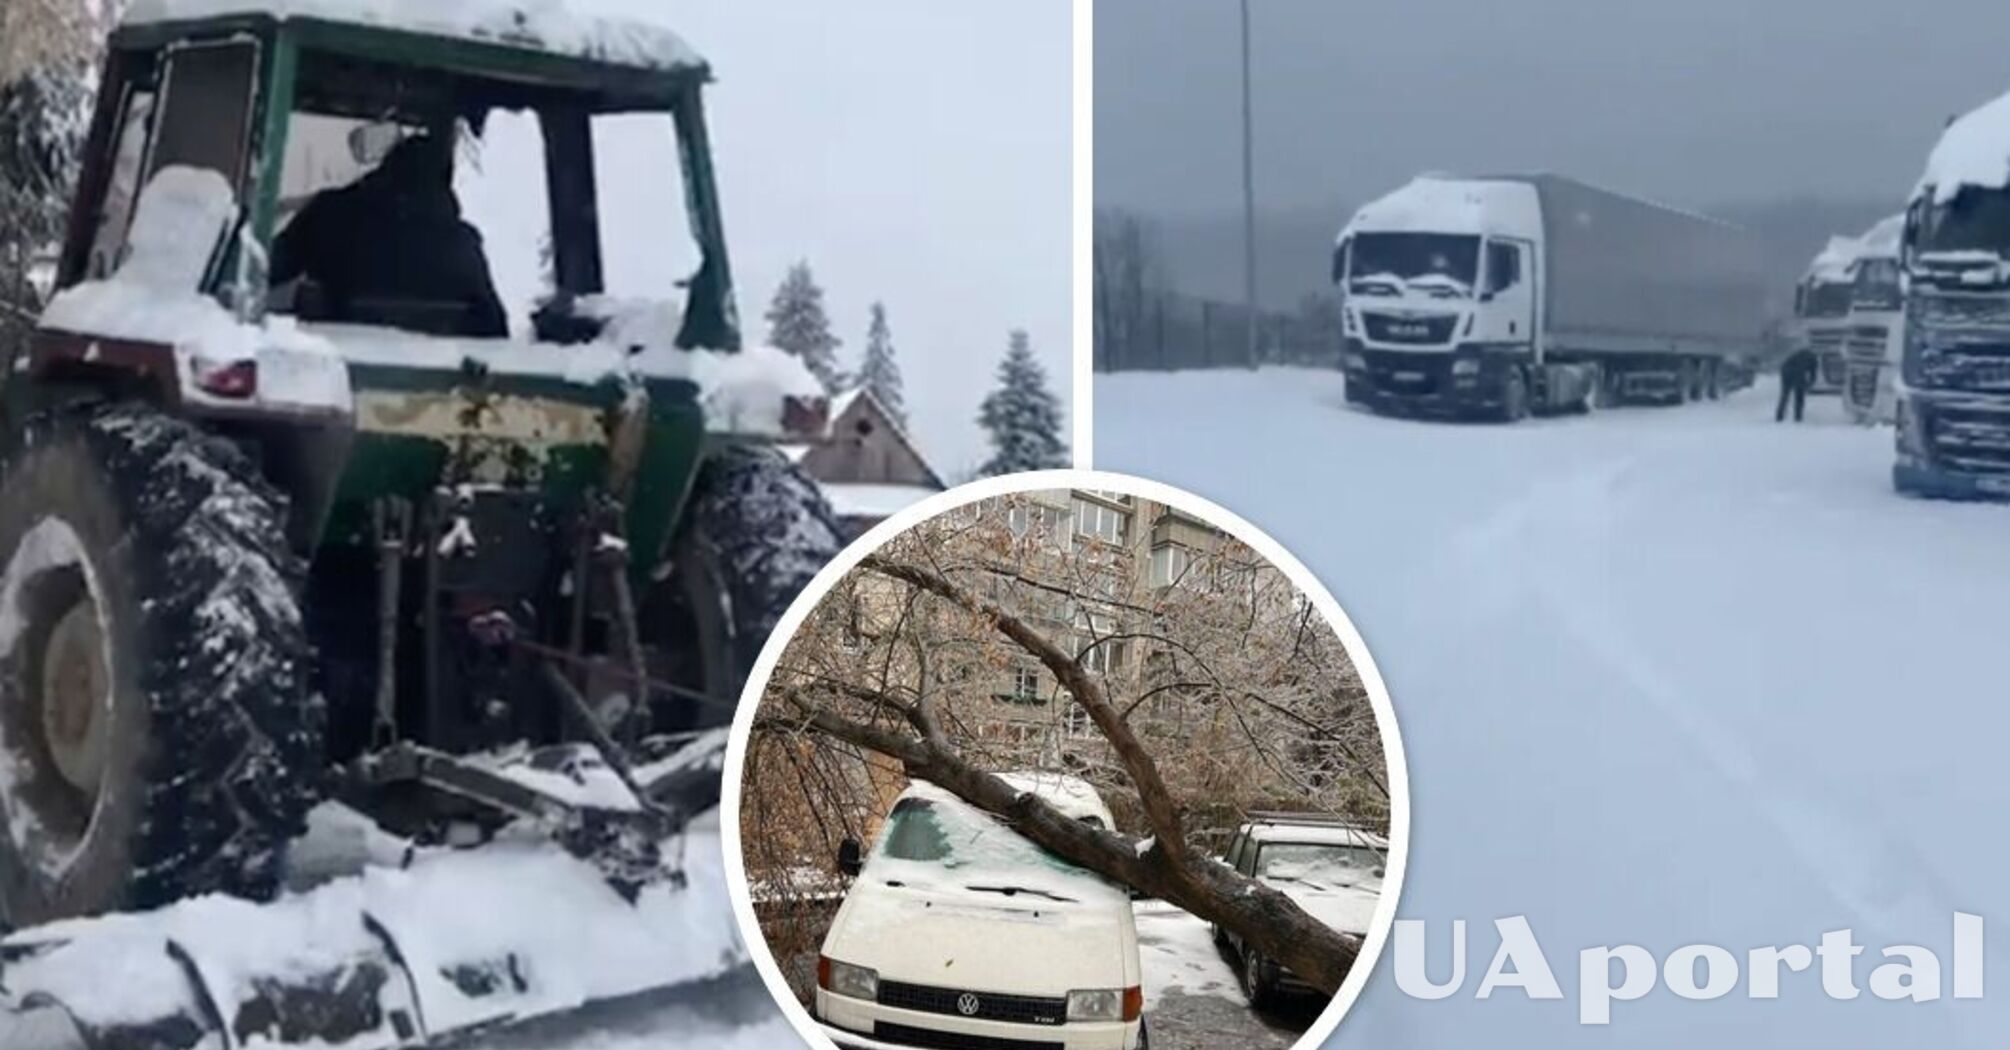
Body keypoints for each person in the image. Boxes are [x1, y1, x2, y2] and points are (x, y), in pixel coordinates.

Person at [271, 132, 508, 338]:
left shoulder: (331, 216)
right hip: (441, 383)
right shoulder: (462, 245)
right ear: (444, 183)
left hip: (330, 376)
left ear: (387, 168)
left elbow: (265, 270)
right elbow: (494, 331)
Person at [1776, 346, 1816, 423]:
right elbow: (1809, 374)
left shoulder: (1804, 355)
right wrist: (1806, 384)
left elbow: (1812, 375)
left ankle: (1780, 415)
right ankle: (1797, 416)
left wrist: (1809, 383)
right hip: (1790, 371)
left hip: (1785, 369)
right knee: (1798, 394)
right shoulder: (1810, 359)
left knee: (1786, 393)